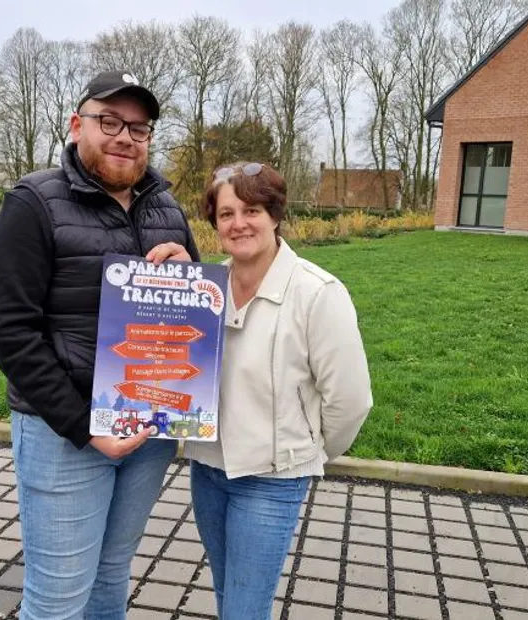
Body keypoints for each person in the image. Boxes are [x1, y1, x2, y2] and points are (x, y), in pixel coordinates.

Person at [0, 70, 199, 620]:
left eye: (140, 128)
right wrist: (84, 425)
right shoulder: (34, 202)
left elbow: (196, 315)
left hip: (147, 428)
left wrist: (192, 275)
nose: (126, 136)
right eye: (110, 121)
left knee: (110, 576)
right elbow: (9, 329)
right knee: (56, 601)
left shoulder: (166, 208)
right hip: (65, 435)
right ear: (77, 126)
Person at [183, 162, 373, 619]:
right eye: (226, 214)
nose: (239, 223)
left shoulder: (317, 292)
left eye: (251, 210)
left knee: (245, 609)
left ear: (274, 215)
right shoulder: (202, 289)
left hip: (271, 480)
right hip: (208, 470)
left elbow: (350, 401)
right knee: (229, 594)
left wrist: (305, 453)